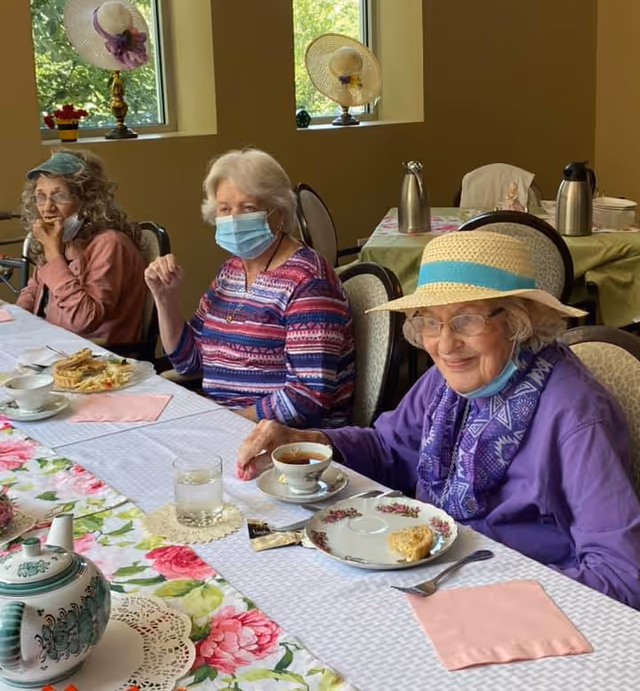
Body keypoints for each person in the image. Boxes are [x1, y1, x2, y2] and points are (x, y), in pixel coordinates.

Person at [237, 231, 640, 608]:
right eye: (430, 321)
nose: (445, 344)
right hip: (429, 574)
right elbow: (388, 449)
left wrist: (489, 603)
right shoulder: (446, 382)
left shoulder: (576, 416)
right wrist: (306, 440)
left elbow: (621, 574)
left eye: (466, 319)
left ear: (520, 321)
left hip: (511, 603)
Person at [145, 148, 354, 427]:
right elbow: (190, 362)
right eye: (224, 209)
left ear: (278, 213)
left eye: (248, 208)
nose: (233, 219)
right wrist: (165, 297)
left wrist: (226, 424)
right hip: (228, 423)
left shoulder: (308, 282)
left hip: (288, 440)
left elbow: (307, 397)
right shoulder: (231, 272)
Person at [18, 149, 146, 345]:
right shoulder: (62, 239)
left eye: (59, 196)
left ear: (87, 200)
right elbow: (33, 291)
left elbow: (84, 321)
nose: (47, 207)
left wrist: (54, 256)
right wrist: (18, 321)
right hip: (52, 344)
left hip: (100, 357)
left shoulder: (110, 243)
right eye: (40, 196)